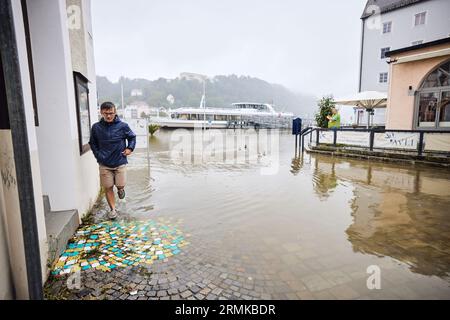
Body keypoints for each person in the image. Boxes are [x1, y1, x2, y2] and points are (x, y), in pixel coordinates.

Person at [89, 102, 136, 220]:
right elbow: (93, 143)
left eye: (111, 113)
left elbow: (132, 137)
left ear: (115, 112)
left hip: (120, 161)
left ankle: (121, 189)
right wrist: (98, 155)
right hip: (104, 163)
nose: (109, 116)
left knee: (120, 184)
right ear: (101, 112)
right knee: (108, 187)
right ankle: (113, 210)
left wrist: (129, 148)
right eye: (106, 113)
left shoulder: (123, 126)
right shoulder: (96, 127)